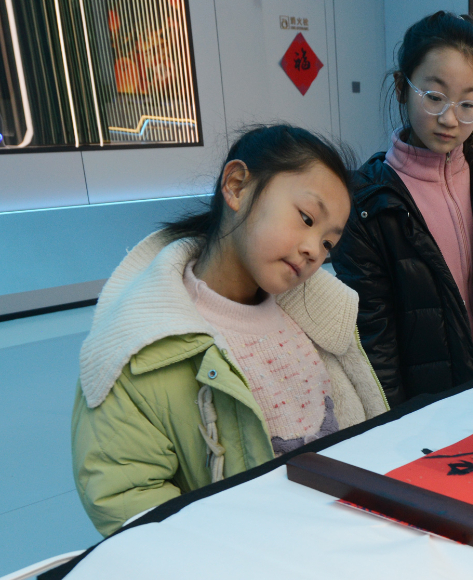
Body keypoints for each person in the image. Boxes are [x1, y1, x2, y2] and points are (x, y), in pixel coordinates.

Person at [72, 125, 389, 536]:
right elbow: (126, 494)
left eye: (329, 243)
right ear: (237, 186)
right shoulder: (144, 342)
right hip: (240, 565)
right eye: (307, 218)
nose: (314, 249)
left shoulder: (320, 322)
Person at [333, 12, 473, 411]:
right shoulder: (368, 205)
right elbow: (374, 340)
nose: (450, 118)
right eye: (434, 97)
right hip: (427, 409)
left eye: (468, 103)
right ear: (402, 87)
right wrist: (393, 425)